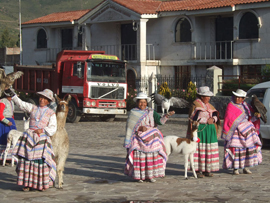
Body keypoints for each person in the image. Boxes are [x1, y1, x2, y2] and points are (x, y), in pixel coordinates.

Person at [7, 88, 57, 191]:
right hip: (29, 137)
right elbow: (22, 105)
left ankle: (41, 184)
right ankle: (27, 183)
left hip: (41, 139)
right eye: (41, 98)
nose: (42, 100)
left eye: (44, 98)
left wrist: (42, 130)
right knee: (26, 159)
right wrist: (14, 96)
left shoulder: (51, 113)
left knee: (40, 161)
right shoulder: (33, 108)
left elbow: (53, 128)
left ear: (48, 101)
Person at [124, 92, 175, 183]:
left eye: (144, 102)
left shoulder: (151, 111)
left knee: (152, 155)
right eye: (140, 102)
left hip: (152, 138)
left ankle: (150, 175)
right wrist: (139, 128)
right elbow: (130, 127)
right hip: (139, 137)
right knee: (140, 156)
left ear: (147, 103)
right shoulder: (133, 112)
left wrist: (167, 115)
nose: (142, 104)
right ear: (137, 102)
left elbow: (160, 122)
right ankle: (140, 176)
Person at [222, 89, 262, 175]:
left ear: (243, 99)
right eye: (236, 97)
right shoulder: (231, 106)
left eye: (239, 98)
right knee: (236, 149)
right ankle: (235, 168)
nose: (237, 99)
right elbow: (229, 120)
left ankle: (246, 167)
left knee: (247, 149)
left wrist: (257, 116)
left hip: (248, 131)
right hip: (236, 131)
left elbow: (250, 118)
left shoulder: (246, 106)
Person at [187, 86, 220, 178]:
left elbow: (215, 115)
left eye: (209, 96)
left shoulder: (210, 106)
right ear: (201, 96)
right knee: (199, 149)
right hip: (200, 130)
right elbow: (192, 118)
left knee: (208, 149)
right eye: (207, 96)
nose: (209, 98)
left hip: (210, 130)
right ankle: (197, 170)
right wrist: (206, 120)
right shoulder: (195, 105)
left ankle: (207, 169)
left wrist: (213, 119)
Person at [0, 90, 17, 164]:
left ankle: (9, 157)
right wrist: (7, 122)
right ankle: (2, 157)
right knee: (3, 139)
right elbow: (0, 114)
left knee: (12, 140)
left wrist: (12, 122)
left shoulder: (11, 102)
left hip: (11, 122)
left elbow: (12, 114)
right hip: (4, 123)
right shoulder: (2, 101)